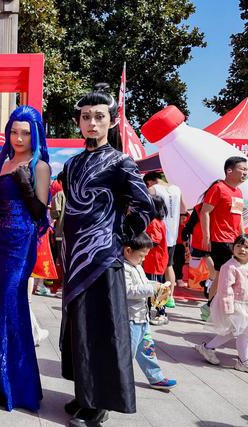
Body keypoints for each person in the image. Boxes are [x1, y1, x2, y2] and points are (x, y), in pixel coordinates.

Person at [60, 84, 153, 426]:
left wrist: (119, 237)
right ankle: (84, 393)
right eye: (86, 117)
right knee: (81, 329)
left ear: (112, 121)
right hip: (74, 259)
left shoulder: (121, 162)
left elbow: (145, 205)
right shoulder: (72, 164)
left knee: (102, 330)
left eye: (99, 117)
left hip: (102, 260)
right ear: (78, 122)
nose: (92, 123)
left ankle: (99, 402)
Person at [0, 105, 50, 412]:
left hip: (20, 243)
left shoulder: (39, 166)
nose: (18, 138)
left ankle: (21, 388)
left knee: (11, 306)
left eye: (25, 133)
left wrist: (25, 185)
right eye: (14, 132)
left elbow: (40, 213)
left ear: (35, 135)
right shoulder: (4, 162)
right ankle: (2, 381)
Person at [123, 232, 177, 390]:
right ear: (128, 250)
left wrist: (157, 285)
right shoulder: (123, 268)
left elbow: (145, 284)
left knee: (148, 350)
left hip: (142, 318)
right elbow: (128, 290)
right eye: (141, 256)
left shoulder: (137, 267)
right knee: (127, 353)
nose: (143, 259)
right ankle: (118, 379)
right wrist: (151, 289)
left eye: (145, 256)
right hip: (131, 320)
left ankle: (156, 377)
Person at [195, 234, 248, 373]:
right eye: (239, 246)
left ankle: (207, 348)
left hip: (244, 304)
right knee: (241, 332)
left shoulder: (246, 265)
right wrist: (228, 308)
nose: (242, 249)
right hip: (234, 305)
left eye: (246, 247)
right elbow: (225, 289)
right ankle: (243, 361)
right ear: (233, 248)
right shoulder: (229, 267)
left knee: (236, 332)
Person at [200, 157, 247, 301]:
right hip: (220, 240)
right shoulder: (218, 188)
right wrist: (206, 237)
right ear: (229, 170)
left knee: (227, 274)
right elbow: (205, 212)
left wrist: (242, 237)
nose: (245, 173)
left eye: (247, 170)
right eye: (243, 169)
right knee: (222, 274)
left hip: (234, 241)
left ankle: (215, 304)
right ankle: (211, 304)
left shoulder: (238, 192)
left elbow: (238, 216)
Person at [144, 172, 185, 309]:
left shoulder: (153, 189)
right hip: (172, 234)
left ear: (150, 181)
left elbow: (145, 206)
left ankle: (155, 300)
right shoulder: (177, 189)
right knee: (169, 265)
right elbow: (183, 209)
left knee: (153, 268)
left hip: (155, 233)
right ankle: (170, 297)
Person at [143, 195, 170, 325]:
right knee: (154, 286)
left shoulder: (153, 222)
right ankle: (150, 312)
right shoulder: (158, 221)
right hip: (155, 260)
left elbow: (154, 241)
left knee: (155, 287)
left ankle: (161, 313)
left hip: (154, 261)